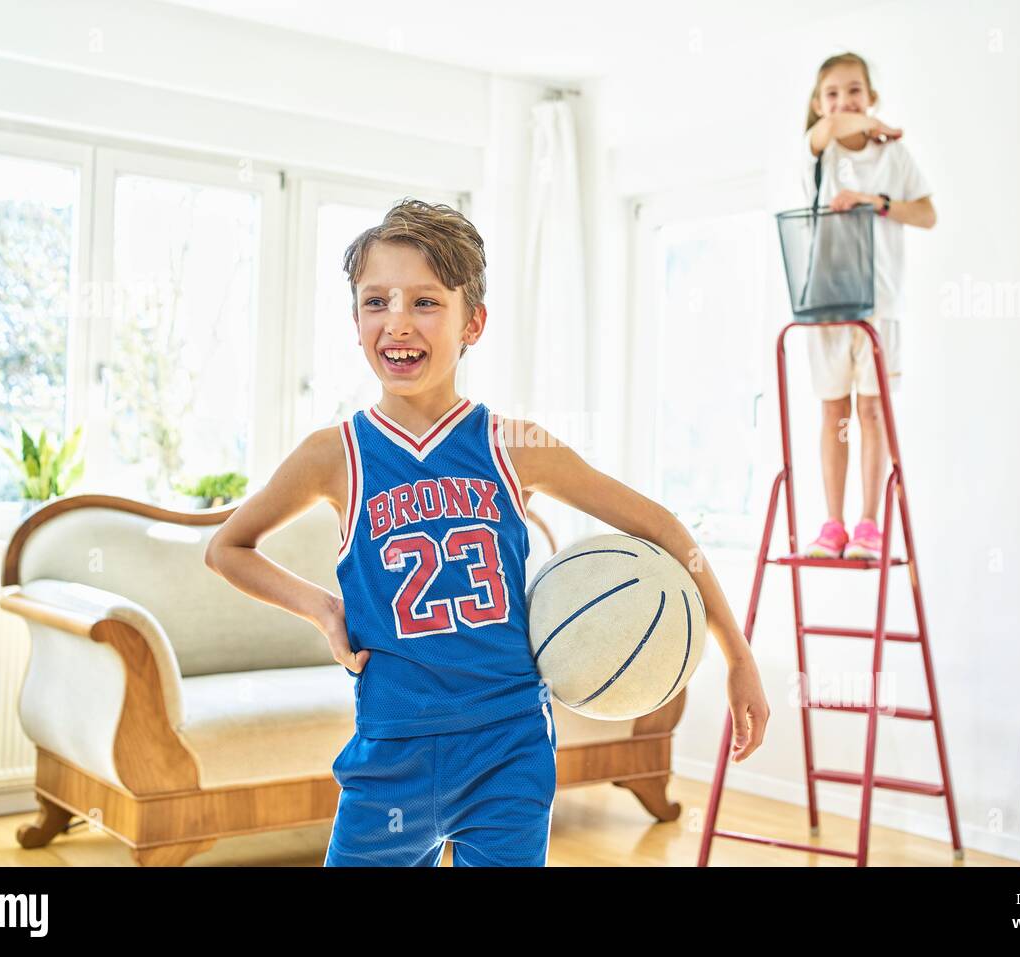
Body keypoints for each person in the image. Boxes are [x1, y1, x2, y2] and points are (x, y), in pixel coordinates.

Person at [204, 198, 769, 866]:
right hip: (392, 749)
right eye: (375, 301)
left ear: (473, 321)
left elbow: (666, 528)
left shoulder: (514, 446)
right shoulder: (334, 455)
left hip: (509, 744)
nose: (397, 322)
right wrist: (324, 609)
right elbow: (226, 548)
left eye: (425, 302)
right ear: (355, 319)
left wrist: (737, 654)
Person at [798, 52, 936, 561]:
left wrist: (873, 201)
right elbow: (828, 128)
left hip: (880, 303)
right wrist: (871, 124)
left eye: (855, 90)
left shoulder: (893, 158)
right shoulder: (819, 150)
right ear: (818, 103)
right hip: (828, 303)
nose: (843, 101)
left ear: (871, 94)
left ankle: (868, 524)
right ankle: (832, 523)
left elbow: (926, 213)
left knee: (872, 411)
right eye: (832, 93)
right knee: (833, 410)